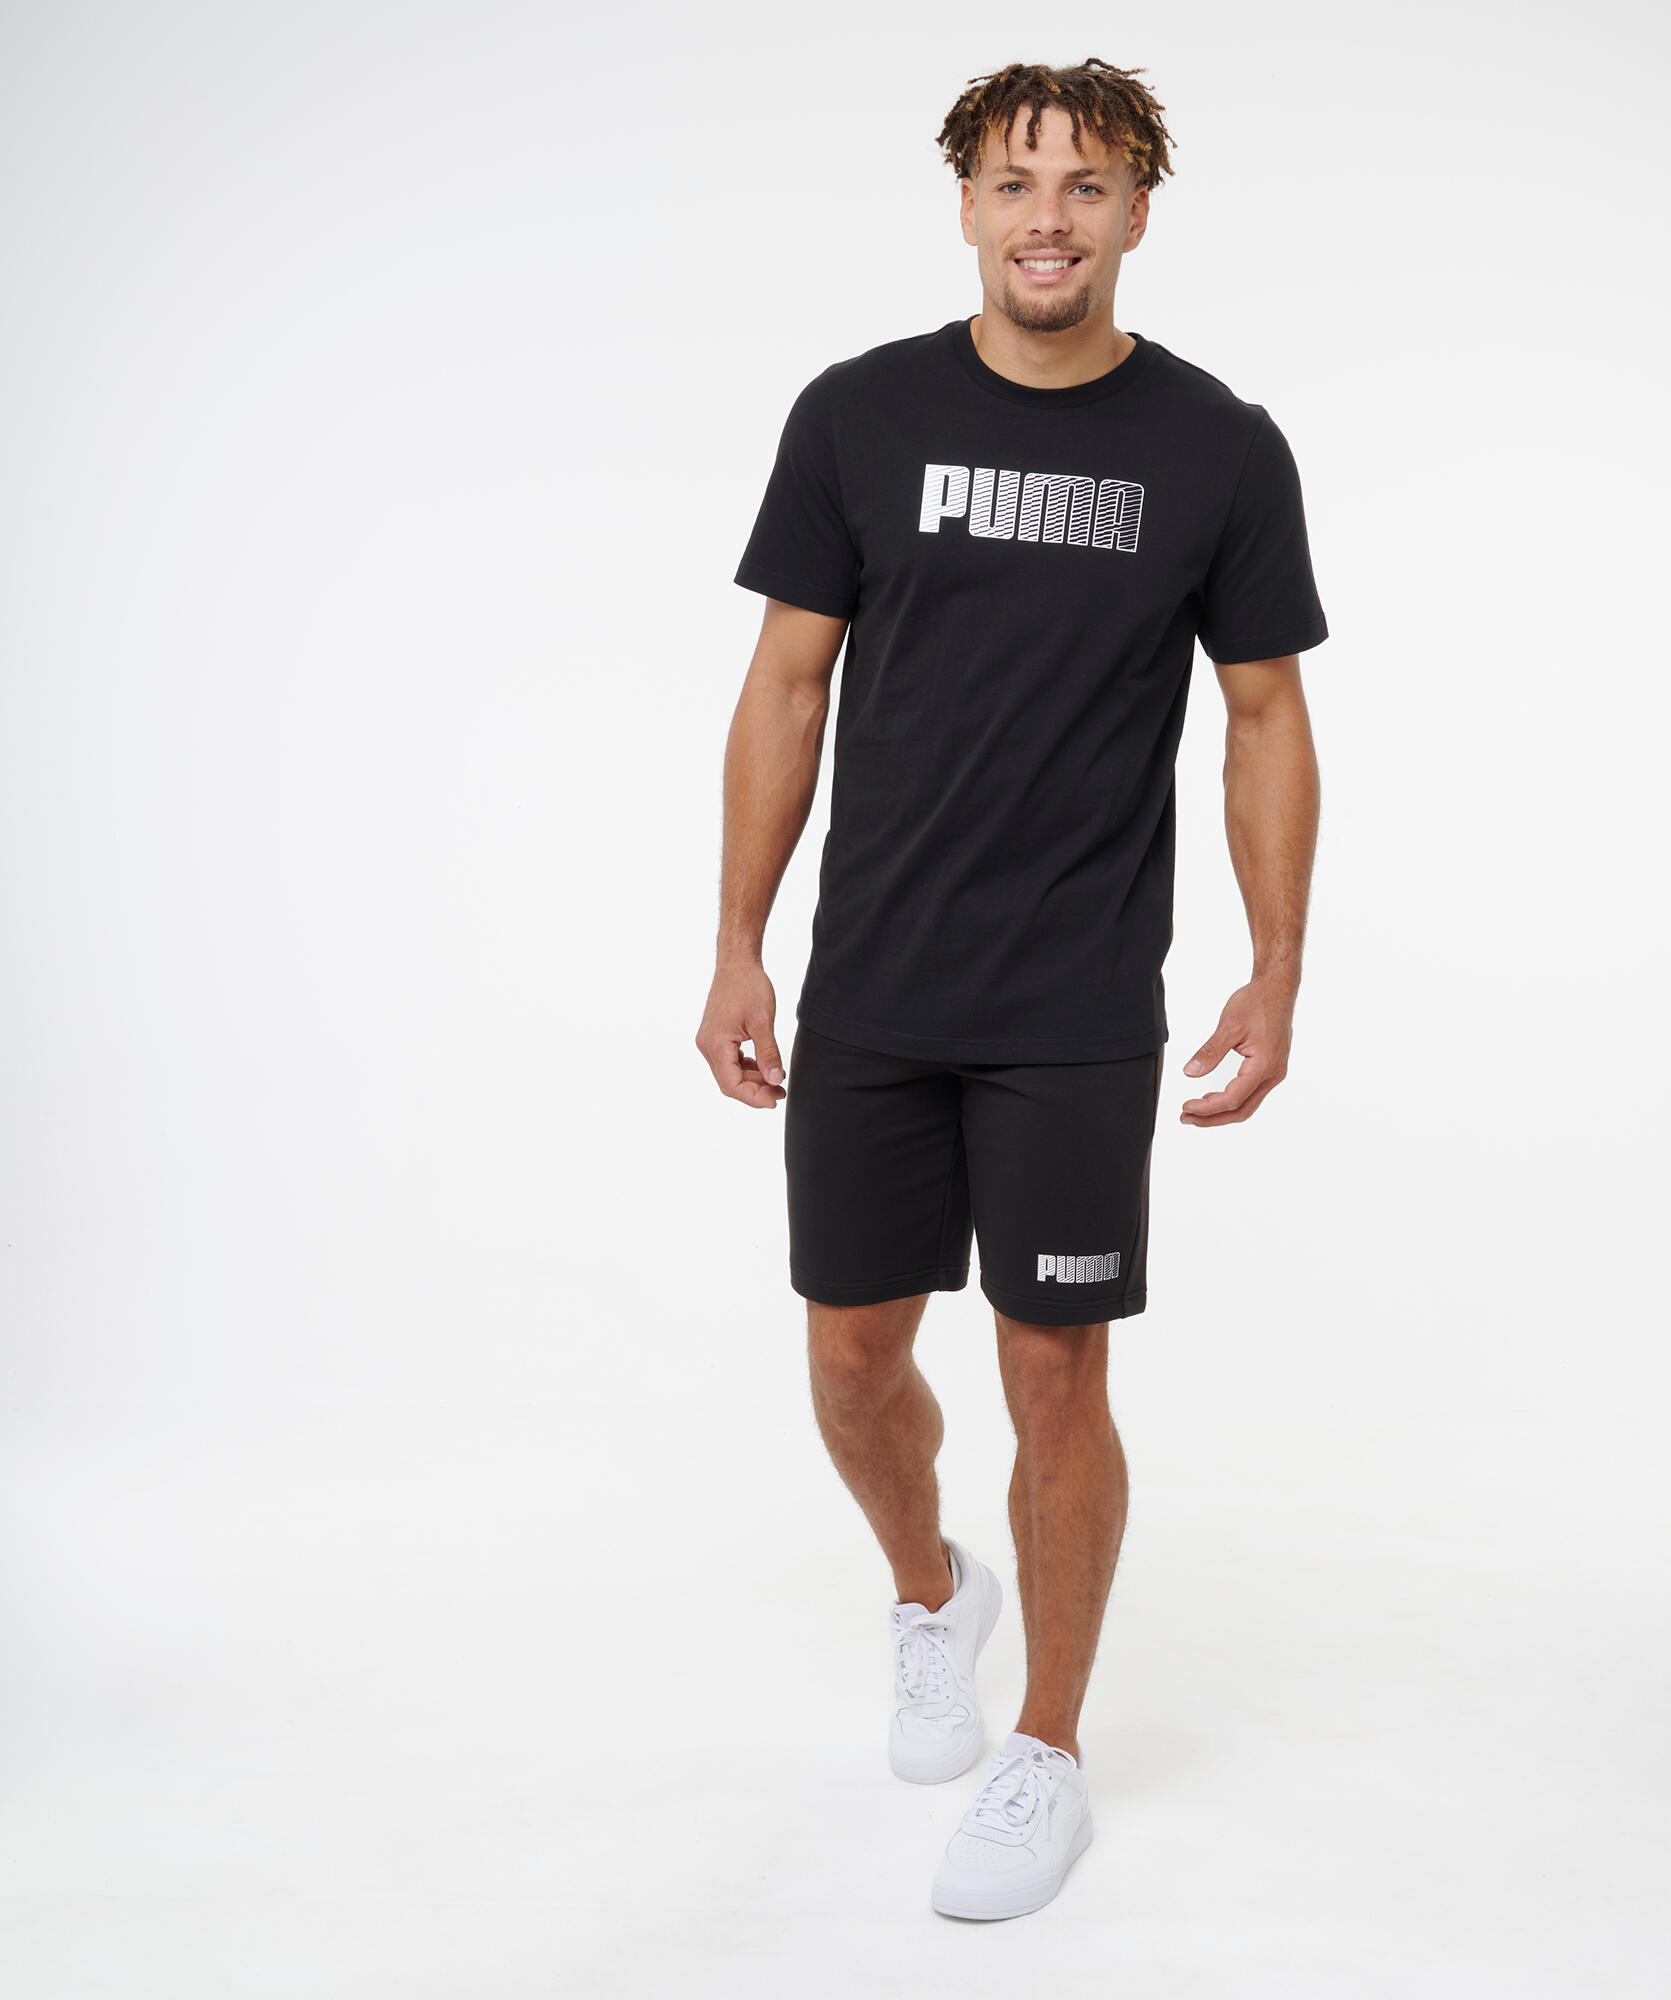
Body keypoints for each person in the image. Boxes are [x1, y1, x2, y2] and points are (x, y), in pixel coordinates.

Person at [697, 56, 1327, 1920]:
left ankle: (1046, 1742)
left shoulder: (1219, 447)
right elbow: (785, 685)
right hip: (875, 984)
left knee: (1055, 1372)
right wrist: (736, 939)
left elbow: (1266, 715)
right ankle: (932, 1596)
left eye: (1088, 183)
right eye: (1015, 182)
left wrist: (1277, 966)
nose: (1049, 217)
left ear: (1138, 210)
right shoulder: (858, 415)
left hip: (1075, 998)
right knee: (850, 1359)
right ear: (967, 204)